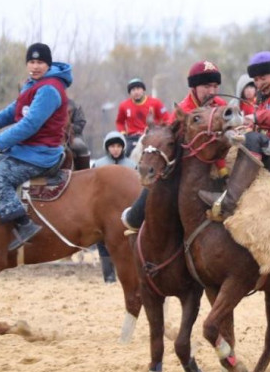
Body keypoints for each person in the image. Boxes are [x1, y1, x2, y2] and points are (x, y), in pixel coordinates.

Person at [198, 51, 270, 221]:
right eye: (256, 79)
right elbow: (258, 125)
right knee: (241, 141)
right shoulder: (263, 97)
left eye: (263, 78)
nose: (259, 83)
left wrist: (255, 118)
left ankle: (229, 201)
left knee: (253, 139)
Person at [0, 43, 73, 251]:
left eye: (40, 62)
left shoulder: (49, 89)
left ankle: (24, 225)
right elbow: (17, 108)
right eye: (31, 61)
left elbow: (30, 124)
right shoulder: (33, 83)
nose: (35, 66)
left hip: (41, 154)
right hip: (26, 151)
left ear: (48, 65)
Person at [122, 60, 228, 234]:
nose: (212, 91)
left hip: (218, 163)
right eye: (207, 86)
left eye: (215, 86)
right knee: (160, 185)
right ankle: (136, 216)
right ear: (194, 87)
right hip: (185, 165)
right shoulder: (183, 111)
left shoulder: (221, 106)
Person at [92, 131, 135, 283]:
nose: (115, 149)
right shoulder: (98, 165)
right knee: (103, 243)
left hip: (125, 211)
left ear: (123, 147)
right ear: (107, 147)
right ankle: (109, 277)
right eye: (112, 146)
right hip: (104, 211)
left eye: (118, 146)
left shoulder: (132, 166)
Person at [115, 78, 168, 157]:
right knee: (123, 154)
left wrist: (161, 131)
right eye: (133, 90)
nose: (136, 92)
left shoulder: (155, 103)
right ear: (130, 93)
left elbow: (166, 118)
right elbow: (119, 122)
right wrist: (123, 133)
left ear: (143, 90)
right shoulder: (124, 106)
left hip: (152, 135)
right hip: (133, 138)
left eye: (138, 89)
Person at [67, 98, 91, 170]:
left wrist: (66, 128)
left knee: (80, 146)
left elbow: (80, 123)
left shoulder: (74, 105)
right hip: (51, 135)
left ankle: (85, 173)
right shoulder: (46, 105)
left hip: (72, 136)